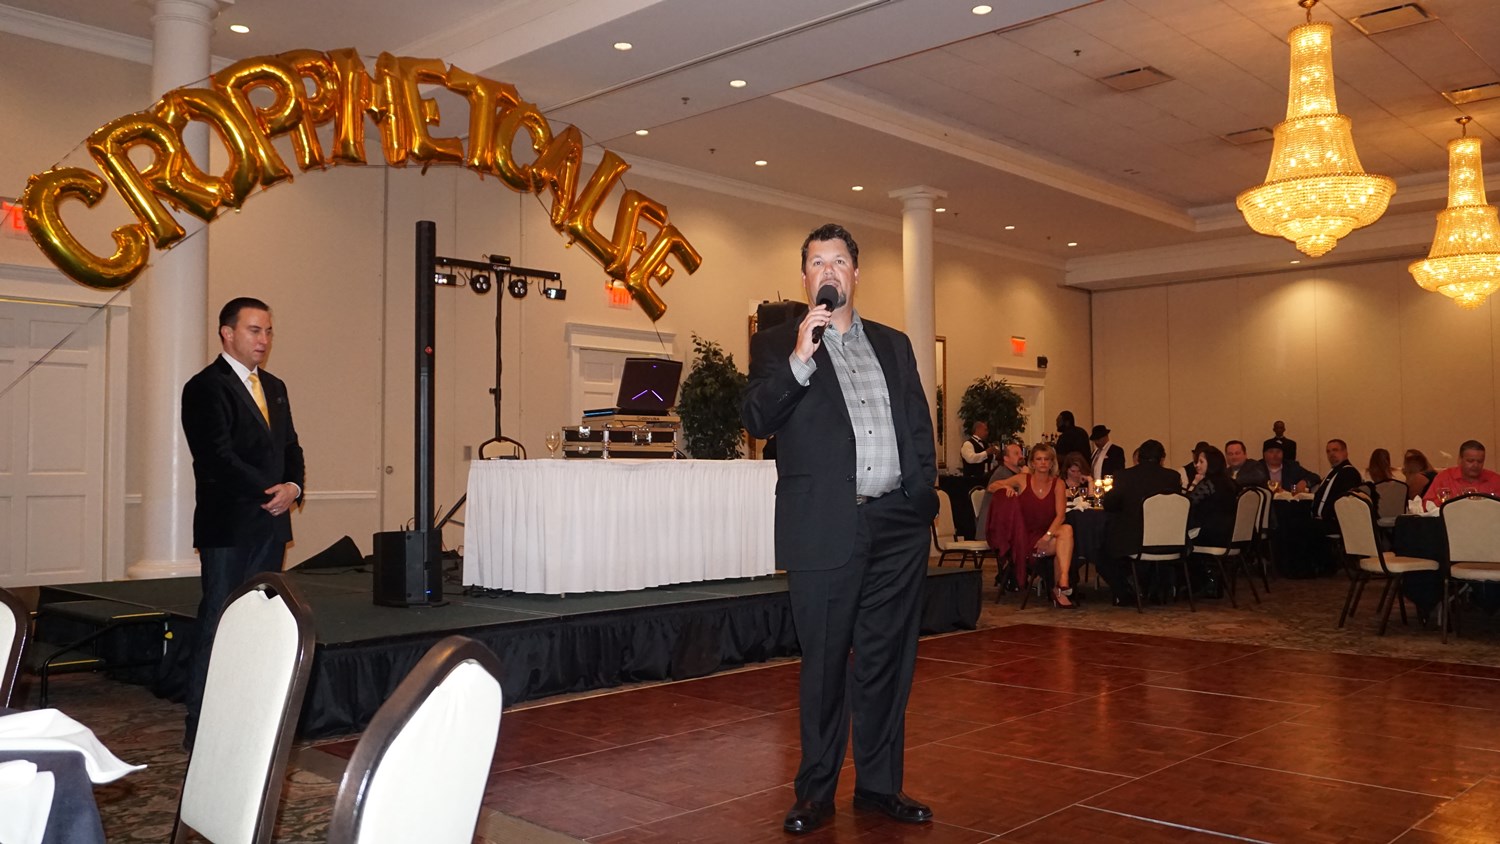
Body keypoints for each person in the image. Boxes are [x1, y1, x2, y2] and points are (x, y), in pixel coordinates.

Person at [741, 223, 937, 835]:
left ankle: (880, 786)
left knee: (885, 662)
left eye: (839, 261)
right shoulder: (778, 344)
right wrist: (801, 359)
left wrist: (921, 498)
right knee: (825, 663)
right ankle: (815, 792)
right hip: (824, 525)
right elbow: (756, 419)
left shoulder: (894, 343)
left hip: (896, 526)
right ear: (806, 278)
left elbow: (916, 422)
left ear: (856, 273)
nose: (829, 271)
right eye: (817, 262)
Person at [181, 297, 304, 749]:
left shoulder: (274, 386)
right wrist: (268, 492)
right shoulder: (205, 387)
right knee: (220, 617)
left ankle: (249, 718)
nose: (264, 340)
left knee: (259, 621)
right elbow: (216, 457)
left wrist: (293, 486)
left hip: (270, 525)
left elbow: (290, 446)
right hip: (228, 526)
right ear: (227, 333)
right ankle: (203, 725)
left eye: (269, 331)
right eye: (254, 330)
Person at [989, 444, 1078, 607]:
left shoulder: (1058, 484)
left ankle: (1062, 579)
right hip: (1024, 538)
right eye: (1039, 459)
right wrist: (1006, 486)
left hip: (1046, 536)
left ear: (1052, 463)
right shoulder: (1023, 479)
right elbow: (992, 486)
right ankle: (1059, 589)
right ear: (1032, 463)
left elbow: (1060, 515)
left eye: (1047, 459)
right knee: (1064, 543)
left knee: (1066, 530)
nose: (1043, 463)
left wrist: (1046, 537)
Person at [1099, 439, 1182, 606]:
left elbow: (1109, 504)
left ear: (1139, 457)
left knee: (1102, 550)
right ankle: (1151, 587)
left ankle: (1126, 591)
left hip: (1134, 541)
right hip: (1168, 540)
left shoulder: (1125, 476)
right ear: (1162, 458)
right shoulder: (1173, 477)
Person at [1186, 445, 1237, 548]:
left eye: (1201, 462)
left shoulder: (1207, 484)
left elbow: (1187, 504)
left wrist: (1195, 483)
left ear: (1211, 463)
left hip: (1210, 535)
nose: (1197, 465)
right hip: (1231, 534)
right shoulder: (1232, 483)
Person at [1423, 440, 1500, 504]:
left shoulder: (1495, 479)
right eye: (1470, 461)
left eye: (1480, 461)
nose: (1475, 465)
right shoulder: (1445, 477)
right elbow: (1427, 504)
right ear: (1460, 460)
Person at [975, 442, 1025, 536]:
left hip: (1004, 522)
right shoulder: (1002, 474)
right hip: (992, 527)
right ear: (1006, 458)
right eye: (1016, 453)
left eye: (1021, 453)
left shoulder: (1017, 474)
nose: (1021, 456)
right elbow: (992, 487)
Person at [1312, 439, 1362, 521]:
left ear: (1345, 452)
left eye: (1335, 450)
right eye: (1328, 451)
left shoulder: (1349, 473)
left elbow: (1344, 501)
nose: (1331, 454)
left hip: (1334, 522)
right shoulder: (1334, 472)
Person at [959, 420, 998, 485]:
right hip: (971, 481)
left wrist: (995, 455)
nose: (987, 433)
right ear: (978, 430)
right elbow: (971, 459)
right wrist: (986, 452)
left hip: (985, 480)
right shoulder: (968, 444)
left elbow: (991, 461)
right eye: (985, 430)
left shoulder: (985, 444)